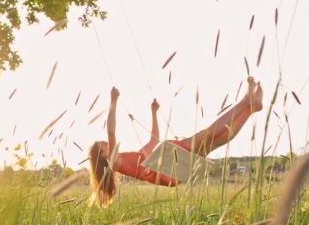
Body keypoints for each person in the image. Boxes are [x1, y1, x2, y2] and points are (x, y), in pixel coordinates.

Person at [88, 77, 263, 206]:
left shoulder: (136, 159)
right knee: (207, 135)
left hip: (170, 176)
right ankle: (245, 102)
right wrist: (113, 101)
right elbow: (111, 129)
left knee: (213, 142)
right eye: (103, 145)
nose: (107, 142)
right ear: (102, 156)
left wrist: (154, 112)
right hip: (165, 167)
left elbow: (154, 139)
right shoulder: (114, 161)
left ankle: (251, 109)